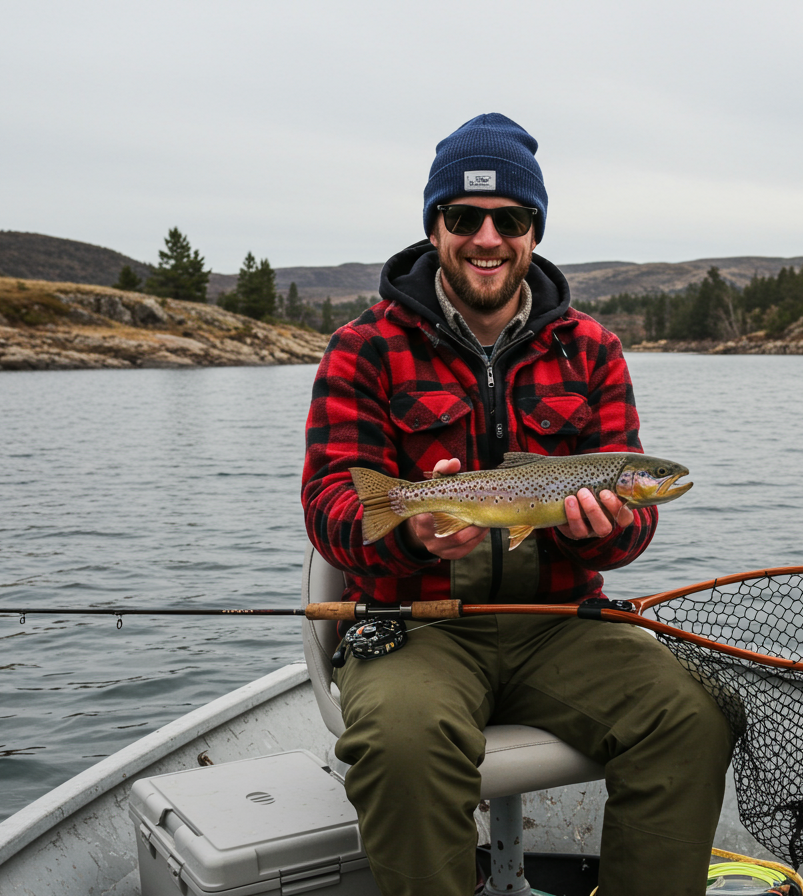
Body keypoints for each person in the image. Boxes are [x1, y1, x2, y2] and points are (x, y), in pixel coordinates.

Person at [302, 113, 731, 896]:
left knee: (691, 716)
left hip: (560, 625)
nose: (487, 237)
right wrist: (414, 535)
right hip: (414, 627)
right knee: (402, 745)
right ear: (436, 227)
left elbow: (635, 527)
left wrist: (610, 532)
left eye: (511, 218)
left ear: (534, 231)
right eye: (465, 218)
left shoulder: (593, 348)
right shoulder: (363, 347)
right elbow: (330, 505)